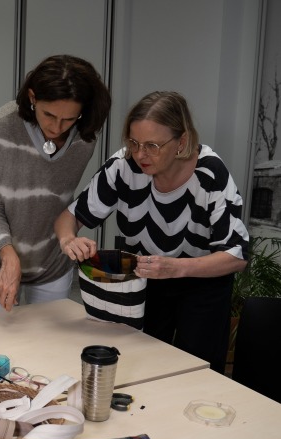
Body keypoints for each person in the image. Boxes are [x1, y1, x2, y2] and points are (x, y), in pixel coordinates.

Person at [55, 91, 249, 374]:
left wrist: (176, 268)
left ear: (182, 141)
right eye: (133, 143)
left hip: (202, 283)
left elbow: (236, 255)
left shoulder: (210, 173)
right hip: (148, 278)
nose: (140, 154)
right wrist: (68, 239)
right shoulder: (123, 167)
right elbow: (69, 217)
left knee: (197, 370)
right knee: (141, 362)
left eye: (152, 146)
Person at [0, 55, 111, 312]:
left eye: (69, 119)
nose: (57, 127)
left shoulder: (84, 138)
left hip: (52, 260)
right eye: (49, 114)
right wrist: (7, 253)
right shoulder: (1, 127)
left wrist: (69, 237)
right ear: (32, 97)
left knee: (49, 336)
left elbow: (60, 198)